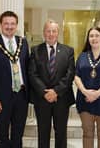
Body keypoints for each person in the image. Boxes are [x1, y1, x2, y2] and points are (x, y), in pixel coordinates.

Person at [0, 11, 29, 148]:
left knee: (18, 134)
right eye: (6, 23)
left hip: (21, 96)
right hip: (1, 99)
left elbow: (28, 69)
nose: (9, 26)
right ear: (1, 24)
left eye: (12, 23)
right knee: (2, 135)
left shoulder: (23, 43)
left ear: (16, 25)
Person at [28, 19, 75, 148]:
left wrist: (56, 92)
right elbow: (32, 74)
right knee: (43, 132)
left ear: (58, 33)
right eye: (48, 31)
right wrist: (45, 92)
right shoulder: (35, 50)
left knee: (61, 132)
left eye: (54, 31)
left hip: (61, 99)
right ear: (44, 32)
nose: (51, 34)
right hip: (42, 99)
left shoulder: (68, 51)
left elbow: (70, 74)